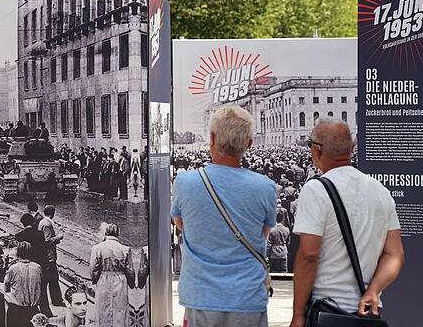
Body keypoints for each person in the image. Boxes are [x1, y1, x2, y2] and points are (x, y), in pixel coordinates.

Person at [290, 117, 404, 327]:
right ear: (352, 148)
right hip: (366, 312)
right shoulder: (381, 191)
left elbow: (308, 256)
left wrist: (297, 315)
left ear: (316, 150)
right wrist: (373, 290)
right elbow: (394, 254)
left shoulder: (315, 190)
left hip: (325, 311)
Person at [170, 106, 276, 327]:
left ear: (211, 138)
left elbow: (181, 225)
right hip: (248, 298)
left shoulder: (185, 182)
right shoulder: (265, 187)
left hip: (201, 298)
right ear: (249, 144)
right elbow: (262, 234)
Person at [89, 223, 133, 327]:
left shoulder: (97, 248)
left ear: (106, 233)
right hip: (121, 279)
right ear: (118, 233)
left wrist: (95, 280)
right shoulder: (125, 249)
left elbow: (93, 268)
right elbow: (130, 270)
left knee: (103, 308)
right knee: (120, 309)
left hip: (104, 278)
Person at [5, 241, 42, 327]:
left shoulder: (13, 268)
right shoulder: (38, 267)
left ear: (18, 253)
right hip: (33, 310)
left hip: (16, 310)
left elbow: (6, 287)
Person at [38, 205, 65, 308]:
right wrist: (58, 237)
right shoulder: (46, 224)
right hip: (49, 256)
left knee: (50, 279)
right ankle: (57, 300)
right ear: (53, 213)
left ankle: (55, 299)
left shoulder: (43, 222)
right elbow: (47, 240)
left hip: (46, 256)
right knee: (53, 278)